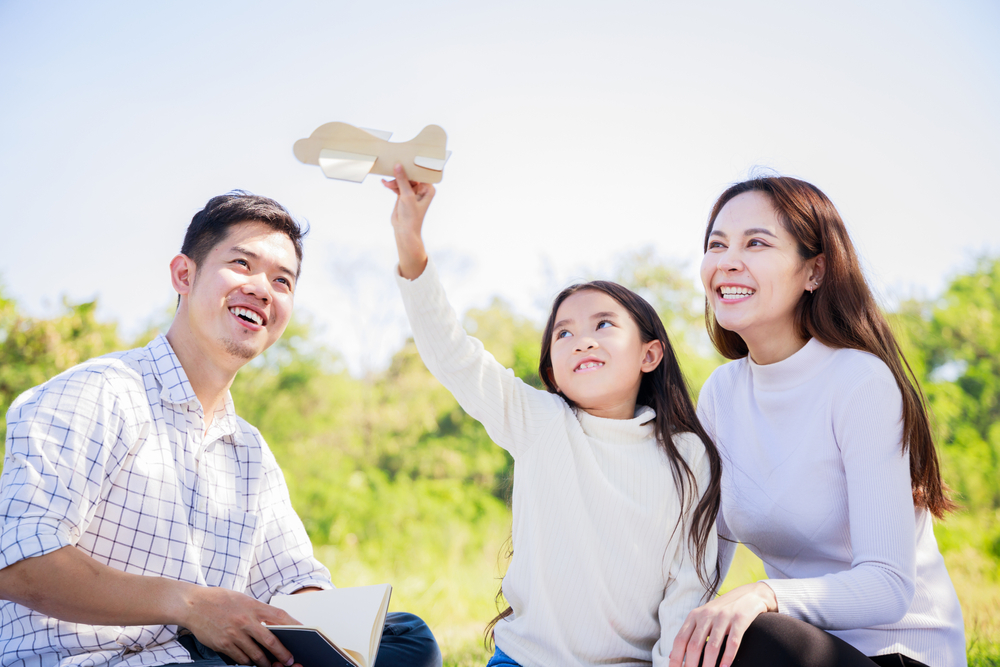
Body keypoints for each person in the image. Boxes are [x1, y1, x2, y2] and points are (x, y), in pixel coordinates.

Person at [0, 191, 441, 667]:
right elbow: (19, 565)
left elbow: (289, 576)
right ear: (184, 275)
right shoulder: (95, 394)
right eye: (242, 264)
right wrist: (190, 605)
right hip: (95, 660)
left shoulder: (249, 450)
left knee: (406, 640)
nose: (262, 288)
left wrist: (320, 624)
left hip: (210, 659)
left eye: (282, 281)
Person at [382, 164, 723, 667]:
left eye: (603, 324)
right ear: (553, 373)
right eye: (563, 333)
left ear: (650, 355)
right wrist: (410, 240)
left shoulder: (687, 454)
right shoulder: (540, 423)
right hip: (524, 660)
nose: (581, 338)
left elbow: (688, 587)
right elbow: (452, 353)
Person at [669, 176, 965, 667]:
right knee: (696, 635)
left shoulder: (859, 381)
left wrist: (764, 594)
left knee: (749, 635)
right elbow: (702, 555)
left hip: (897, 655)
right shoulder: (722, 394)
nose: (726, 260)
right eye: (716, 244)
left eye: (756, 242)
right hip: (794, 646)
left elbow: (888, 583)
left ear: (815, 272)